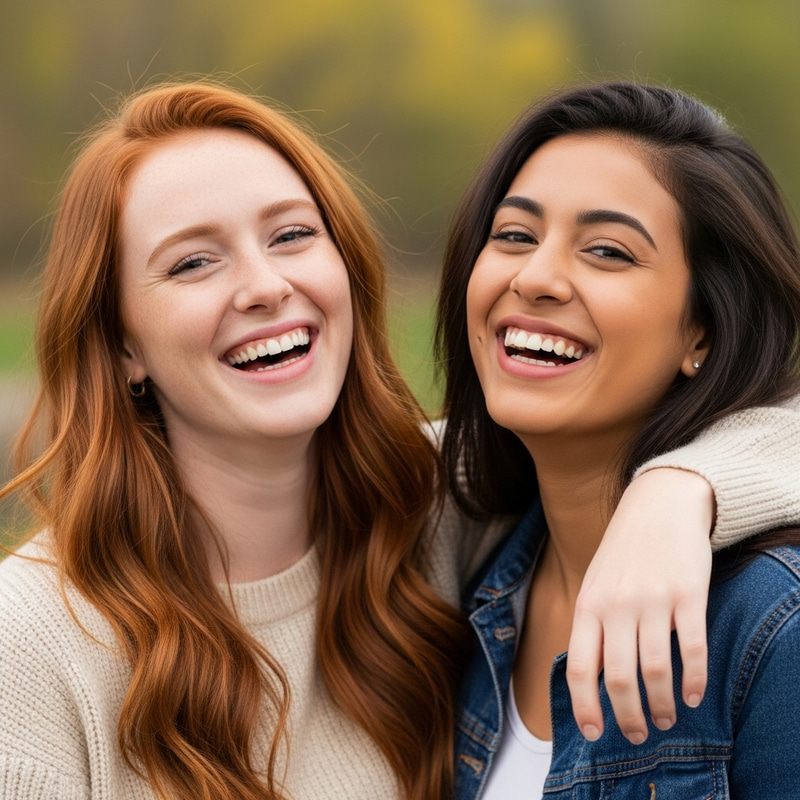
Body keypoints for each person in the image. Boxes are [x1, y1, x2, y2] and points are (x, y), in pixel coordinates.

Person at [0, 80, 799, 800]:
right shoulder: (33, 639)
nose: (265, 286)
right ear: (122, 344)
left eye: (291, 237)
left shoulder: (421, 508)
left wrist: (679, 491)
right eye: (193, 263)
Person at [438, 81, 800, 798]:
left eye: (606, 251)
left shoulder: (770, 628)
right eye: (514, 235)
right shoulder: (465, 576)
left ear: (703, 331)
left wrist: (677, 489)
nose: (536, 277)